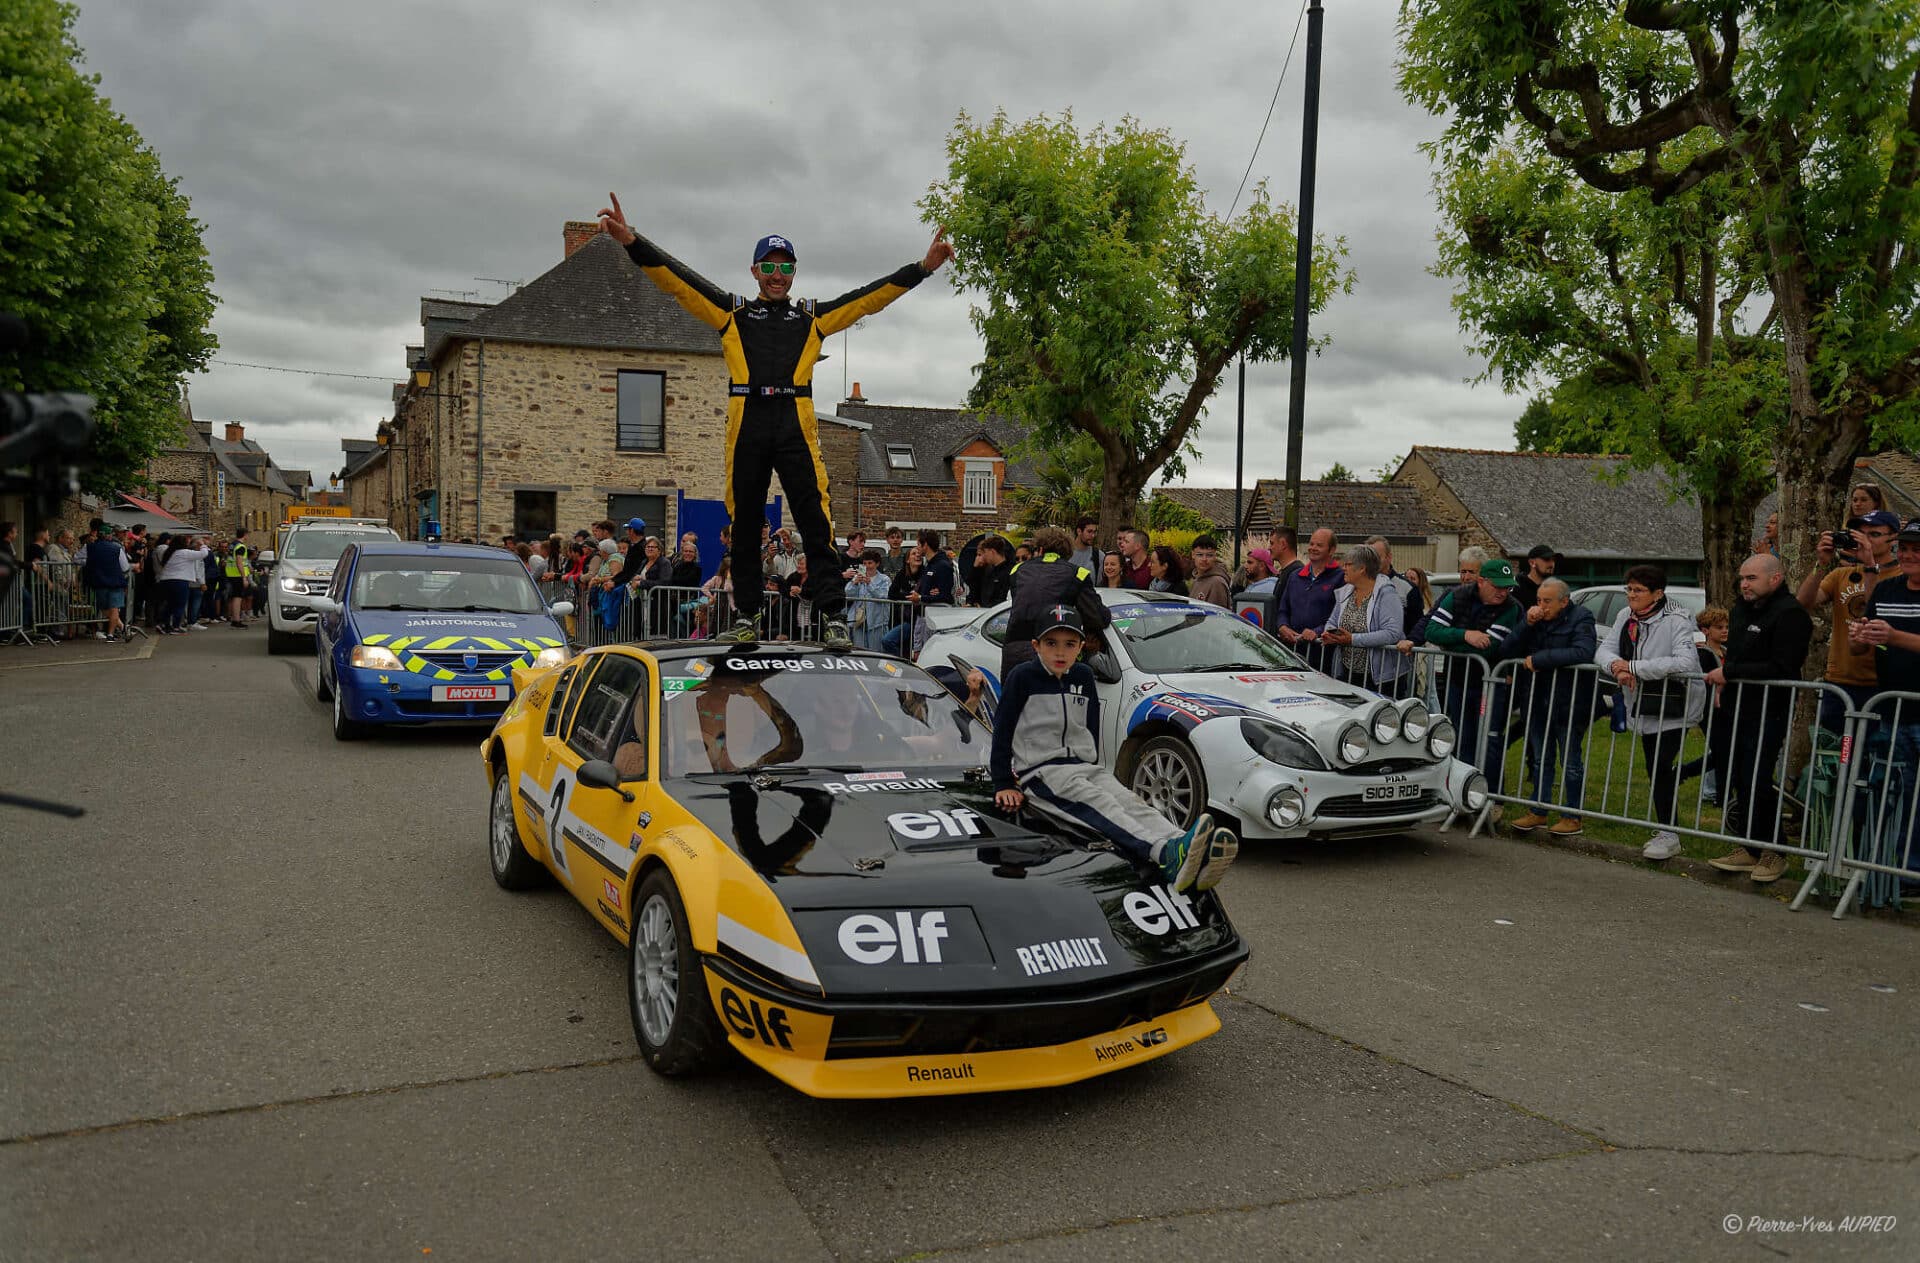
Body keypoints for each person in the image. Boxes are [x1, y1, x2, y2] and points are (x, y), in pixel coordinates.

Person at [599, 193, 953, 648]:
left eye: (786, 267)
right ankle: (747, 614)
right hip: (747, 419)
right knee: (744, 524)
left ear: (794, 272)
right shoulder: (732, 314)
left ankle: (831, 616)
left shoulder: (811, 319)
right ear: (754, 272)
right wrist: (632, 241)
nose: (778, 275)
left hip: (795, 421)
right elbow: (678, 283)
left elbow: (867, 300)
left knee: (816, 522)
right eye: (769, 266)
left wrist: (922, 268)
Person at [990, 606, 1235, 893]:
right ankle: (1164, 853)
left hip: (1085, 767)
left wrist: (1090, 761)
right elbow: (1003, 730)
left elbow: (1089, 727)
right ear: (1036, 646)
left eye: (1069, 644)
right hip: (1044, 774)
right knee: (1103, 806)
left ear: (1081, 647)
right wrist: (1004, 783)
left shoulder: (1082, 676)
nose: (1060, 652)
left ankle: (1187, 847)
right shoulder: (1022, 677)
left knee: (1131, 802)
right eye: (1051, 644)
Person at [1705, 554, 1814, 882]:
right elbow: (1735, 656)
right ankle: (1748, 846)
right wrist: (1728, 679)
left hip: (1769, 708)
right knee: (1738, 776)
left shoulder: (1791, 614)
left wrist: (1730, 672)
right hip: (1737, 705)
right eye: (1742, 578)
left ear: (1775, 578)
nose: (1744, 584)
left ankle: (1774, 851)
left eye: (1751, 578)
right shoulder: (1740, 610)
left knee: (1758, 777)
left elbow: (1783, 666)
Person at [1593, 564, 1706, 861]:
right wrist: (1616, 667)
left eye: (1639, 590)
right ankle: (1666, 829)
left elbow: (1684, 662)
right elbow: (1604, 650)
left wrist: (1633, 668)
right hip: (1644, 704)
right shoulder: (1624, 616)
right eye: (1629, 589)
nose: (1631, 595)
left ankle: (1669, 834)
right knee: (1654, 766)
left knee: (1660, 766)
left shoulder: (1678, 619)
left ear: (1657, 594)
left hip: (1676, 705)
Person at [1500, 578, 1598, 837]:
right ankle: (1539, 809)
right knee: (1542, 758)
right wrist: (1526, 624)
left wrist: (1540, 660)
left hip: (1570, 700)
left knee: (1571, 760)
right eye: (1538, 601)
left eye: (1547, 601)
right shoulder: (1534, 619)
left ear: (1564, 601)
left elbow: (1583, 652)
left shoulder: (1581, 617)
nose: (1541, 606)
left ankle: (1572, 815)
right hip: (1538, 697)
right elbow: (1507, 649)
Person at [1425, 557, 1524, 795]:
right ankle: (1460, 794)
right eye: (1498, 586)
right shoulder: (1456, 596)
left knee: (1489, 739)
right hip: (1458, 680)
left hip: (1491, 684)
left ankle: (1491, 796)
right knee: (1460, 737)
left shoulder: (1511, 608)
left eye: (1507, 587)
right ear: (1482, 581)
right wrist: (1465, 635)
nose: (1503, 592)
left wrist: (1449, 643)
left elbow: (1488, 647)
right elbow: (1432, 630)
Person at [1795, 509, 1899, 733]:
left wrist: (1871, 567)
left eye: (1873, 534)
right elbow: (1803, 604)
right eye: (1859, 534)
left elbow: (1876, 614)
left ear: (1894, 539)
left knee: (1875, 757)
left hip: (1882, 684)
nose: (1864, 540)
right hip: (1840, 681)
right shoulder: (1842, 575)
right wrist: (1821, 563)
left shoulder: (1902, 576)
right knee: (1837, 757)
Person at [1000, 526, 1112, 678]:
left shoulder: (1018, 570)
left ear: (1039, 549)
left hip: (1013, 651)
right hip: (1052, 652)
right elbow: (1096, 617)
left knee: (1014, 700)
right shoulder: (1078, 573)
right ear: (1068, 553)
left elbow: (1023, 602)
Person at [1316, 544, 1406, 693]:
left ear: (1362, 568)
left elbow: (1392, 633)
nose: (1343, 568)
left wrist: (1352, 639)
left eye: (1348, 564)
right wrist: (1329, 633)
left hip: (1381, 679)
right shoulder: (1344, 592)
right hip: (1348, 673)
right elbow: (1332, 621)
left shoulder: (1387, 594)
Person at [1274, 528, 1345, 671]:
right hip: (1292, 650)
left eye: (1319, 545)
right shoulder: (1295, 576)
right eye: (1311, 544)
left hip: (1322, 653)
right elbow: (1283, 609)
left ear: (1332, 550)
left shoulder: (1341, 578)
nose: (1313, 548)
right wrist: (1283, 626)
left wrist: (1317, 632)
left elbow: (1341, 615)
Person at [82, 525, 131, 640]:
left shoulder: (89, 547)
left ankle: (120, 629)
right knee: (114, 608)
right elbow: (125, 567)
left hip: (99, 582)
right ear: (109, 535)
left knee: (105, 608)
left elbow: (76, 559)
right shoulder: (116, 548)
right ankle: (113, 633)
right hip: (115, 582)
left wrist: (91, 563)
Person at [1366, 535, 1424, 631]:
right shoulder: (1358, 585)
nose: (1373, 562)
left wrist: (1408, 642)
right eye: (1369, 558)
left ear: (1389, 557)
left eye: (1377, 557)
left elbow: (1417, 626)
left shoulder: (1408, 588)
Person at [157, 533, 209, 634]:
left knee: (170, 604)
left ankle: (164, 624)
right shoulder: (185, 553)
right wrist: (202, 544)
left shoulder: (170, 552)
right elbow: (204, 554)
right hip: (179, 581)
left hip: (166, 580)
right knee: (179, 604)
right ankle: (176, 626)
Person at [845, 549, 892, 650]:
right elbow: (847, 594)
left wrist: (869, 584)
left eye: (870, 563)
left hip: (877, 622)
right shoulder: (858, 577)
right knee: (859, 651)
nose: (867, 566)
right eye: (864, 563)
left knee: (876, 652)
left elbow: (883, 596)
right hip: (858, 621)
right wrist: (854, 583)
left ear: (877, 564)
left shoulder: (884, 579)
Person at [1187, 535, 1231, 608]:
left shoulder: (1217, 582)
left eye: (1209, 555)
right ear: (1193, 555)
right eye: (1200, 555)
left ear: (1215, 556)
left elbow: (1218, 615)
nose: (1204, 559)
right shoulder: (1196, 578)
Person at [968, 535, 1013, 608]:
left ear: (992, 552)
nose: (984, 556)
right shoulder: (989, 571)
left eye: (985, 552)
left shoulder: (1008, 572)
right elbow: (975, 588)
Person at [1513, 544, 1558, 611]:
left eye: (1553, 560)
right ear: (1532, 562)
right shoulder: (1517, 588)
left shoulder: (1556, 588)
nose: (1551, 564)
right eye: (1547, 559)